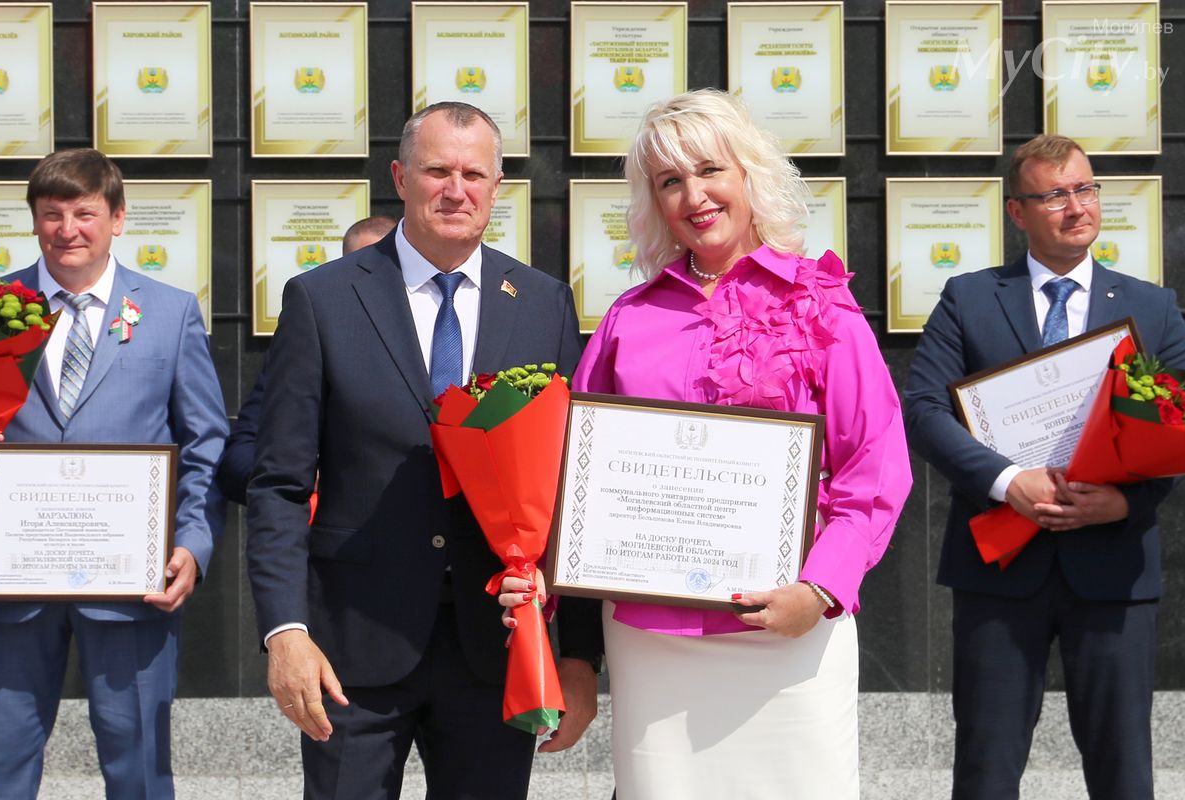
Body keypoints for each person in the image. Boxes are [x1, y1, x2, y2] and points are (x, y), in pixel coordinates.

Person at [503, 89, 911, 798]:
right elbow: (576, 480)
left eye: (710, 169)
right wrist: (555, 605)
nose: (694, 196)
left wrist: (819, 589)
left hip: (789, 632)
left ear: (749, 173)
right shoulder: (628, 320)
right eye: (670, 181)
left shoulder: (825, 309)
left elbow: (874, 470)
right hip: (654, 642)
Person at [245, 102, 602, 800]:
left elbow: (570, 490)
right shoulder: (323, 300)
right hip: (351, 648)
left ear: (497, 186)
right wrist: (284, 631)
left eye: (474, 174)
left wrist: (580, 657)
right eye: (438, 170)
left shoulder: (543, 303)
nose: (455, 190)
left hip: (496, 644)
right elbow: (279, 483)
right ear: (401, 177)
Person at [903, 134, 1185, 799]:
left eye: (1085, 189)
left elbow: (1178, 422)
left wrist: (1126, 503)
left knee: (1124, 773)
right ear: (1017, 212)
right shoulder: (970, 298)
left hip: (1114, 570)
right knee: (986, 769)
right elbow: (922, 409)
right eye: (1055, 195)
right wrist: (1009, 482)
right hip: (1000, 570)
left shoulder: (1151, 307)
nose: (1077, 206)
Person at [0, 148, 228, 798]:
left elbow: (205, 440)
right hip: (10, 585)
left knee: (139, 769)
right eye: (52, 214)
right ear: (34, 220)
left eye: (85, 213)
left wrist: (192, 544)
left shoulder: (171, 312)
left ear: (117, 219)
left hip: (132, 584)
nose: (68, 229)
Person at [217, 214, 397, 505]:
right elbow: (239, 458)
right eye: (362, 266)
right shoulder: (310, 341)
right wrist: (300, 477)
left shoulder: (441, 335)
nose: (374, 280)